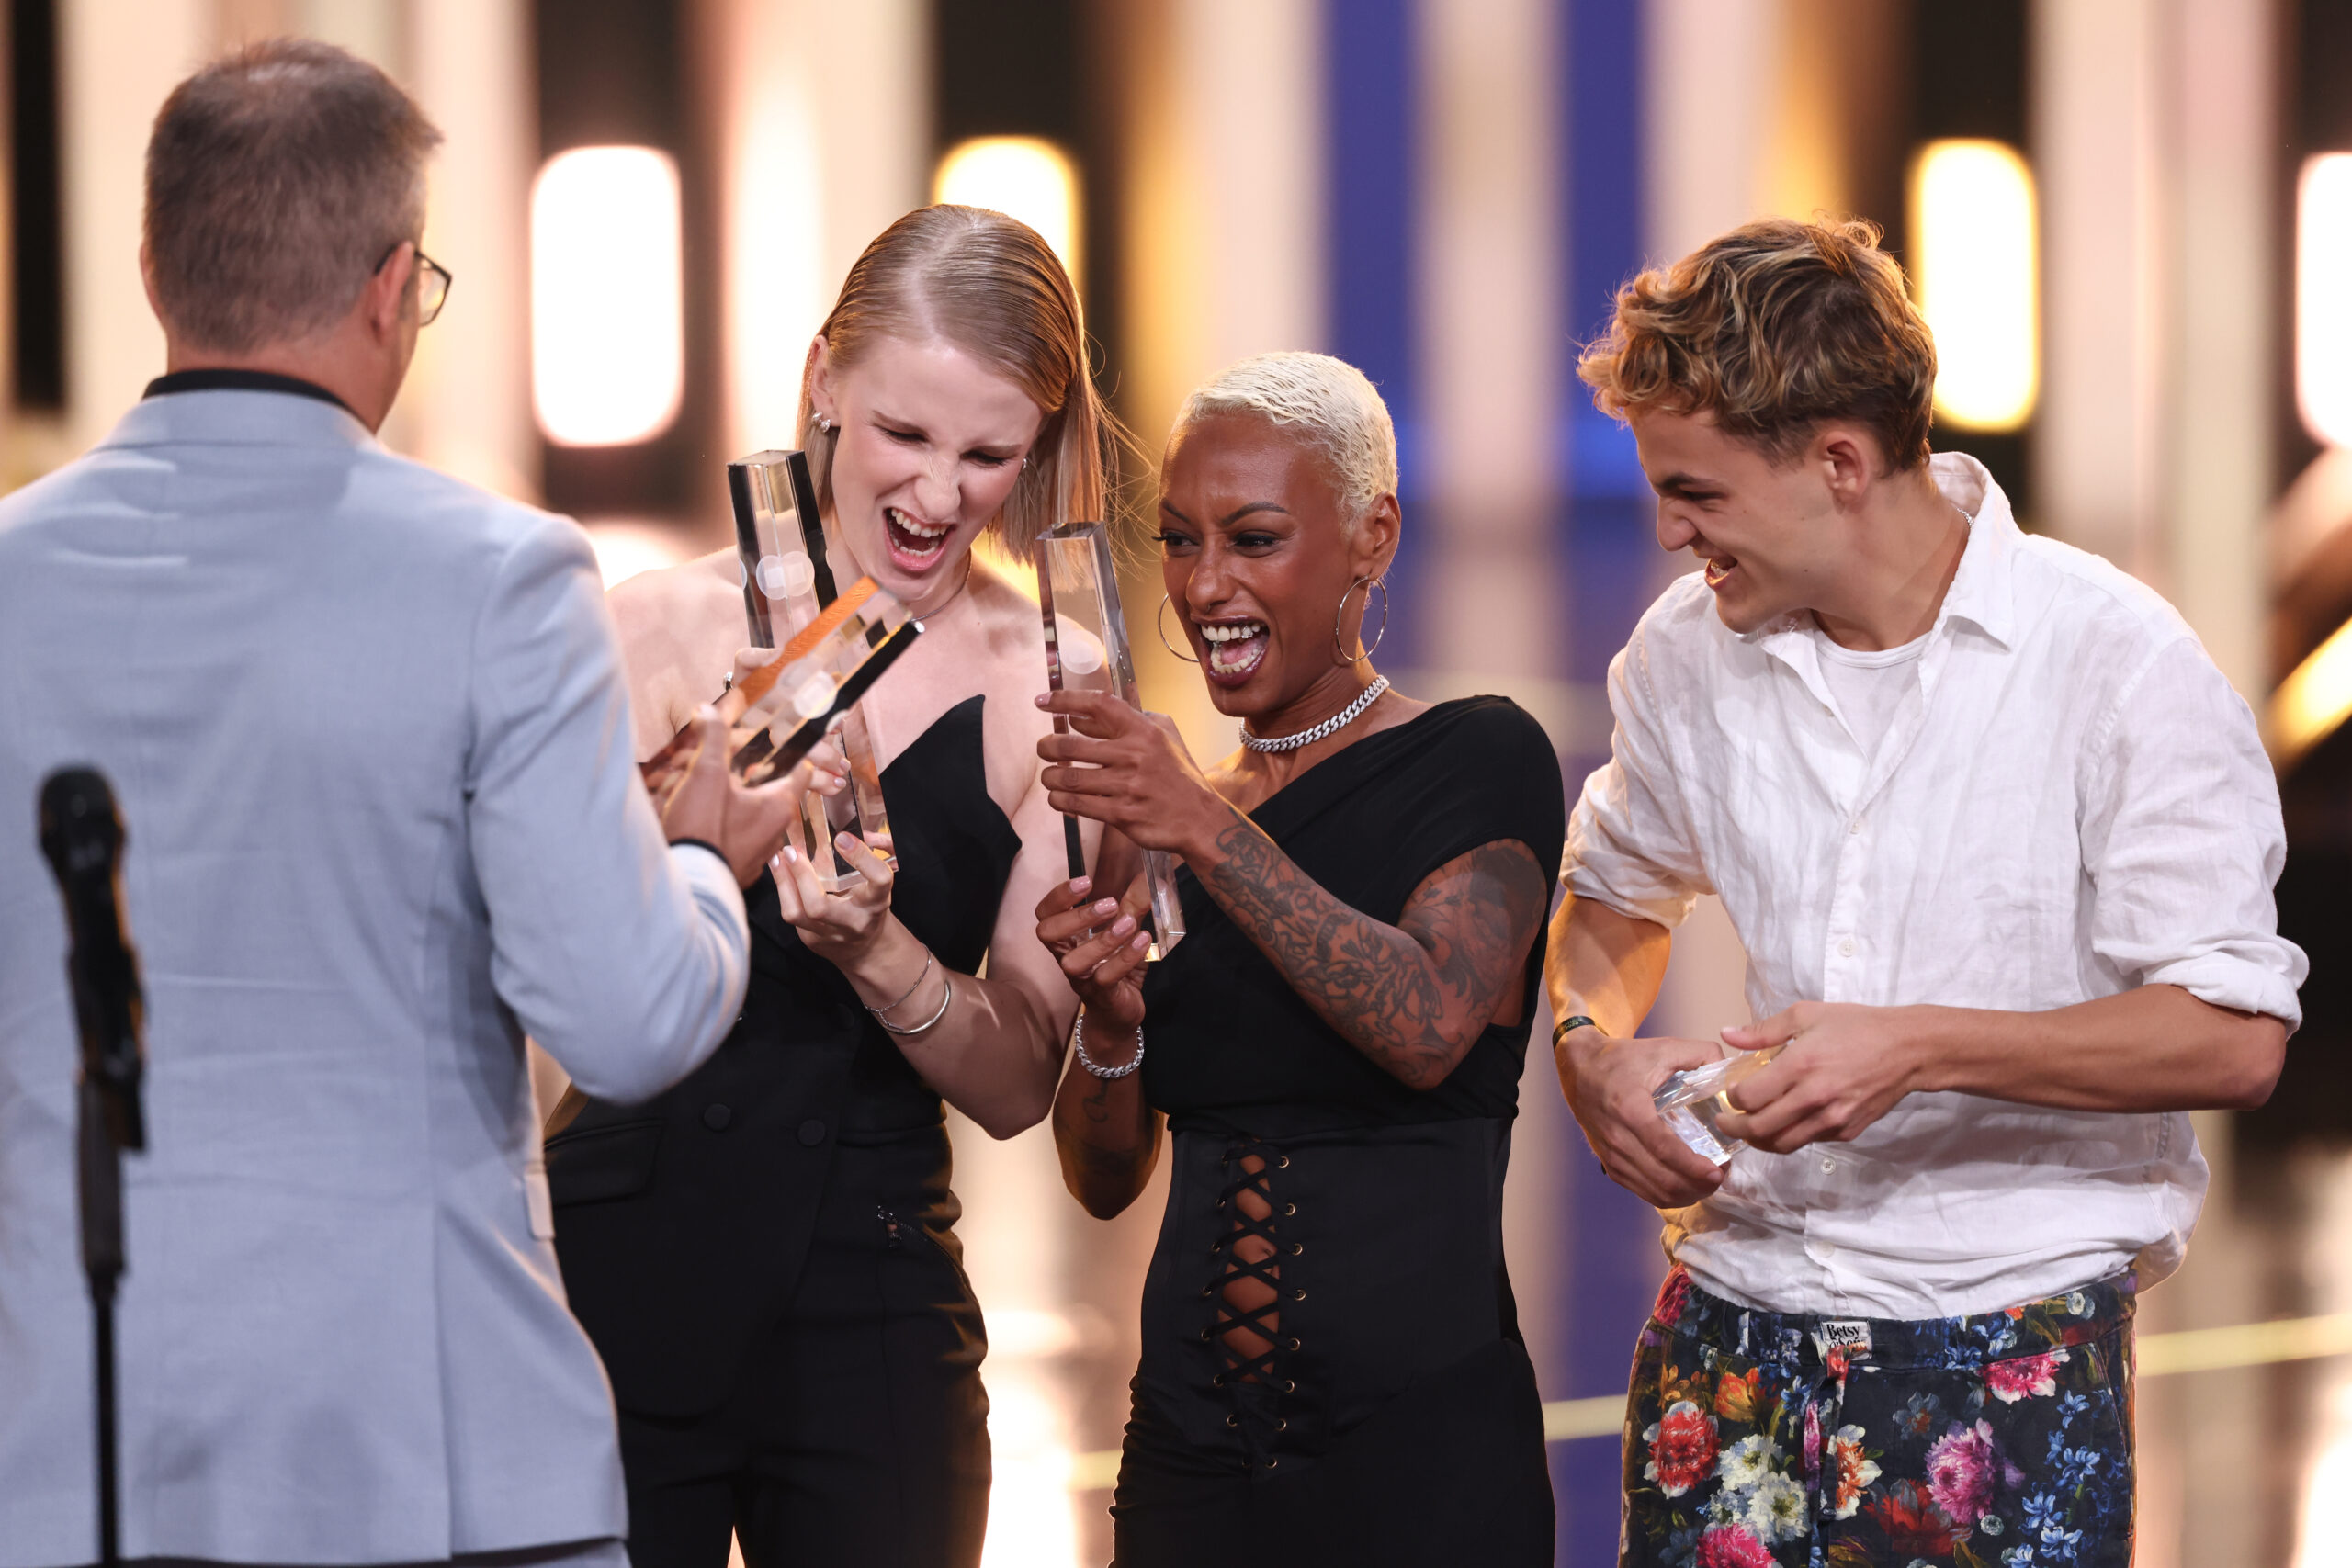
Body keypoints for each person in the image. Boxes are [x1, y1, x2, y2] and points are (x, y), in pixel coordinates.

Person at [0, 40, 820, 1568]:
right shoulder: (495, 577)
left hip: (65, 1434)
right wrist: (700, 858)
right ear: (392, 289)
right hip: (409, 1444)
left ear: (151, 269)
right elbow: (627, 1018)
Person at [1545, 217, 2306, 1566]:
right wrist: (1586, 1049)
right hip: (1727, 1335)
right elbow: (1613, 891)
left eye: (1698, 493)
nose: (1667, 533)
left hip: (2004, 1353)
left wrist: (1920, 1047)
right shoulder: (1684, 655)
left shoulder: (2116, 664)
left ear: (1839, 462)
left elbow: (2232, 1035)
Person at [546, 205, 1114, 1568]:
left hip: (874, 1291)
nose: (937, 495)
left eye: (989, 455)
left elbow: (1016, 1079)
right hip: (618, 1270)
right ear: (823, 388)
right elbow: (553, 992)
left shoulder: (1057, 680)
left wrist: (878, 952)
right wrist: (677, 844)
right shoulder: (650, 628)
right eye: (906, 438)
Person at [1035, 352, 1564, 1566]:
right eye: (1176, 540)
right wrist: (1109, 1030)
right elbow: (1106, 1178)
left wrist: (1205, 827)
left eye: (1254, 538)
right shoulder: (1162, 820)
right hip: (1190, 1459)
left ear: (1372, 536)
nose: (1204, 583)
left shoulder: (1477, 759)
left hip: (1421, 1461)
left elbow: (1429, 1025)